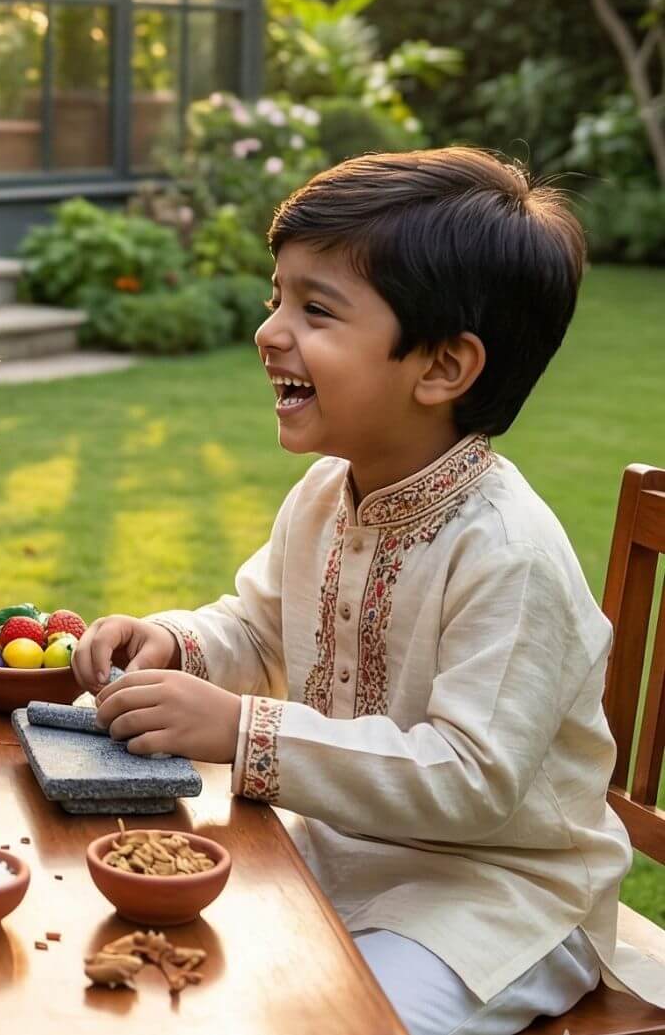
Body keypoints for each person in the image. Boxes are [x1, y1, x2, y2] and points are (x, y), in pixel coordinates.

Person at [73, 147, 665, 1034]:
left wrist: (240, 729)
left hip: (499, 901)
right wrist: (174, 642)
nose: (271, 329)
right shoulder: (326, 493)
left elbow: (469, 778)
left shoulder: (508, 554)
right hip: (335, 853)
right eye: (278, 295)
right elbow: (259, 630)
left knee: (329, 1020)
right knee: (135, 953)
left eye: (315, 309)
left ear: (441, 368)